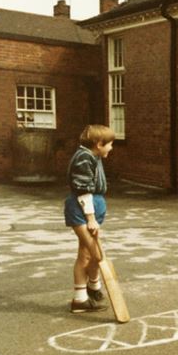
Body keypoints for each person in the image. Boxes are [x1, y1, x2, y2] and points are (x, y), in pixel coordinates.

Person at [64, 124, 115, 314]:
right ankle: (80, 299)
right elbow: (83, 189)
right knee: (95, 254)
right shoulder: (84, 158)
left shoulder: (93, 155)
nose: (111, 148)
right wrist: (91, 218)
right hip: (82, 210)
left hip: (92, 207)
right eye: (109, 144)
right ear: (99, 144)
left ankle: (91, 291)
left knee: (86, 254)